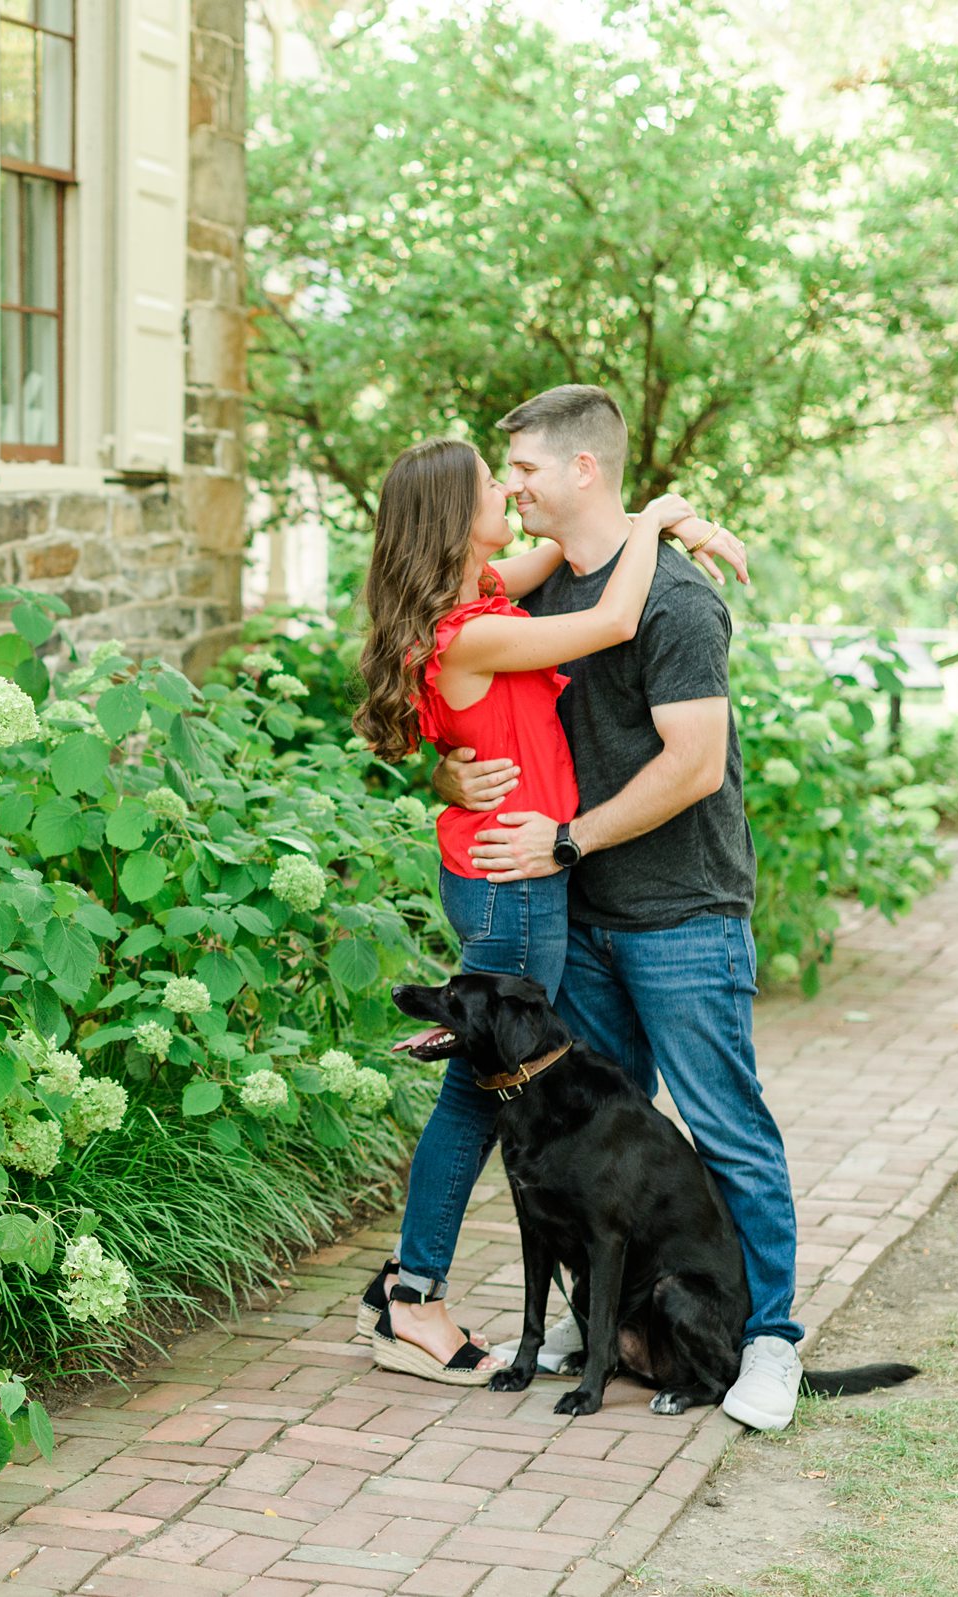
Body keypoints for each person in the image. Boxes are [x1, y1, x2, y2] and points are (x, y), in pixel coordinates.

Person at [439, 383, 802, 1431]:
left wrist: (567, 838)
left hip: (682, 908)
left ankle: (769, 1339)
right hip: (585, 915)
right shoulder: (536, 594)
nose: (510, 487)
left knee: (728, 1130)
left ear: (584, 470)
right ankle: (606, 1327)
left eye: (526, 471)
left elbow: (691, 768)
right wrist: (452, 789)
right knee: (606, 1136)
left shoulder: (680, 602)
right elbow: (463, 699)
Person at [347, 434, 737, 1385]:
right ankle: (414, 1296)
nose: (510, 494)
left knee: (491, 1081)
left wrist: (658, 514)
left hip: (499, 868)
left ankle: (412, 1288)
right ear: (454, 516)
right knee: (481, 1088)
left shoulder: (474, 597)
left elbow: (567, 545)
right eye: (494, 484)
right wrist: (654, 521)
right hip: (514, 881)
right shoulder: (472, 629)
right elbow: (610, 618)